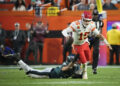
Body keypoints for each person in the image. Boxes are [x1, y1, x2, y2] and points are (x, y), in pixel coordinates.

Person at [62, 11, 112, 79]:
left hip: (85, 42)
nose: (87, 22)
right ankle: (84, 73)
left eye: (88, 20)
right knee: (84, 61)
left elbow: (99, 35)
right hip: (77, 44)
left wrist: (107, 43)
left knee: (88, 59)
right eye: (85, 20)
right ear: (82, 18)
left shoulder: (91, 24)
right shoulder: (76, 24)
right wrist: (67, 35)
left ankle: (74, 67)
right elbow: (64, 31)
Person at [17, 54, 83, 78]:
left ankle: (19, 61)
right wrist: (72, 64)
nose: (76, 62)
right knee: (30, 72)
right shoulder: (66, 64)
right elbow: (64, 69)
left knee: (32, 73)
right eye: (75, 61)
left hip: (52, 73)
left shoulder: (76, 66)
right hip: (50, 73)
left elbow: (78, 74)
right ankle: (19, 60)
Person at [88, 9, 104, 74]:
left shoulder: (100, 22)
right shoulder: (89, 21)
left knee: (96, 52)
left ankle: (94, 68)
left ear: (98, 15)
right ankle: (81, 66)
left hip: (96, 39)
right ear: (92, 15)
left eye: (96, 15)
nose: (95, 16)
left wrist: (100, 36)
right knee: (84, 52)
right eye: (94, 15)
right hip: (88, 38)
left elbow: (100, 29)